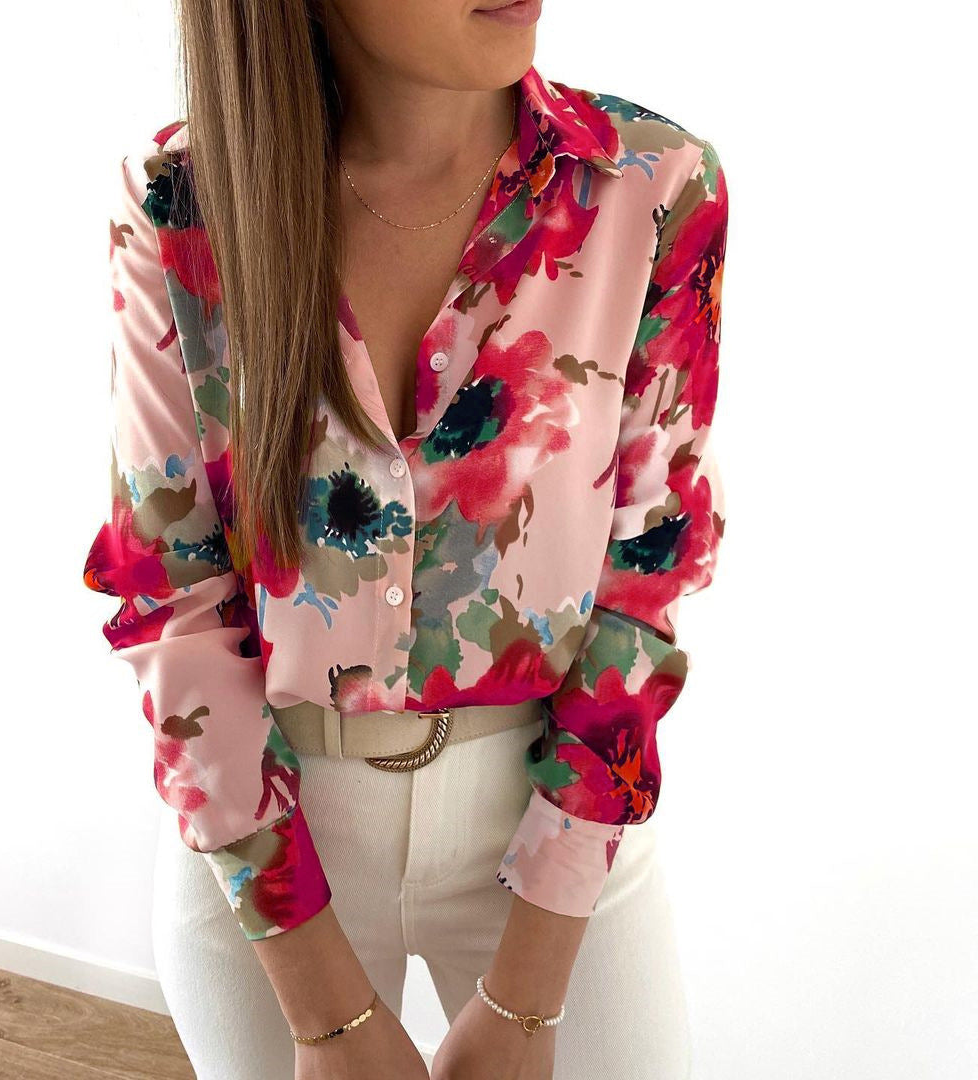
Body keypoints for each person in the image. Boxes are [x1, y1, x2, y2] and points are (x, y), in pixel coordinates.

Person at [81, 0, 729, 1077]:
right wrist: (323, 1015)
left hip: (558, 827)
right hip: (269, 843)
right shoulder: (180, 203)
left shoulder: (648, 186)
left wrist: (528, 1000)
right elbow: (174, 596)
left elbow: (648, 576)